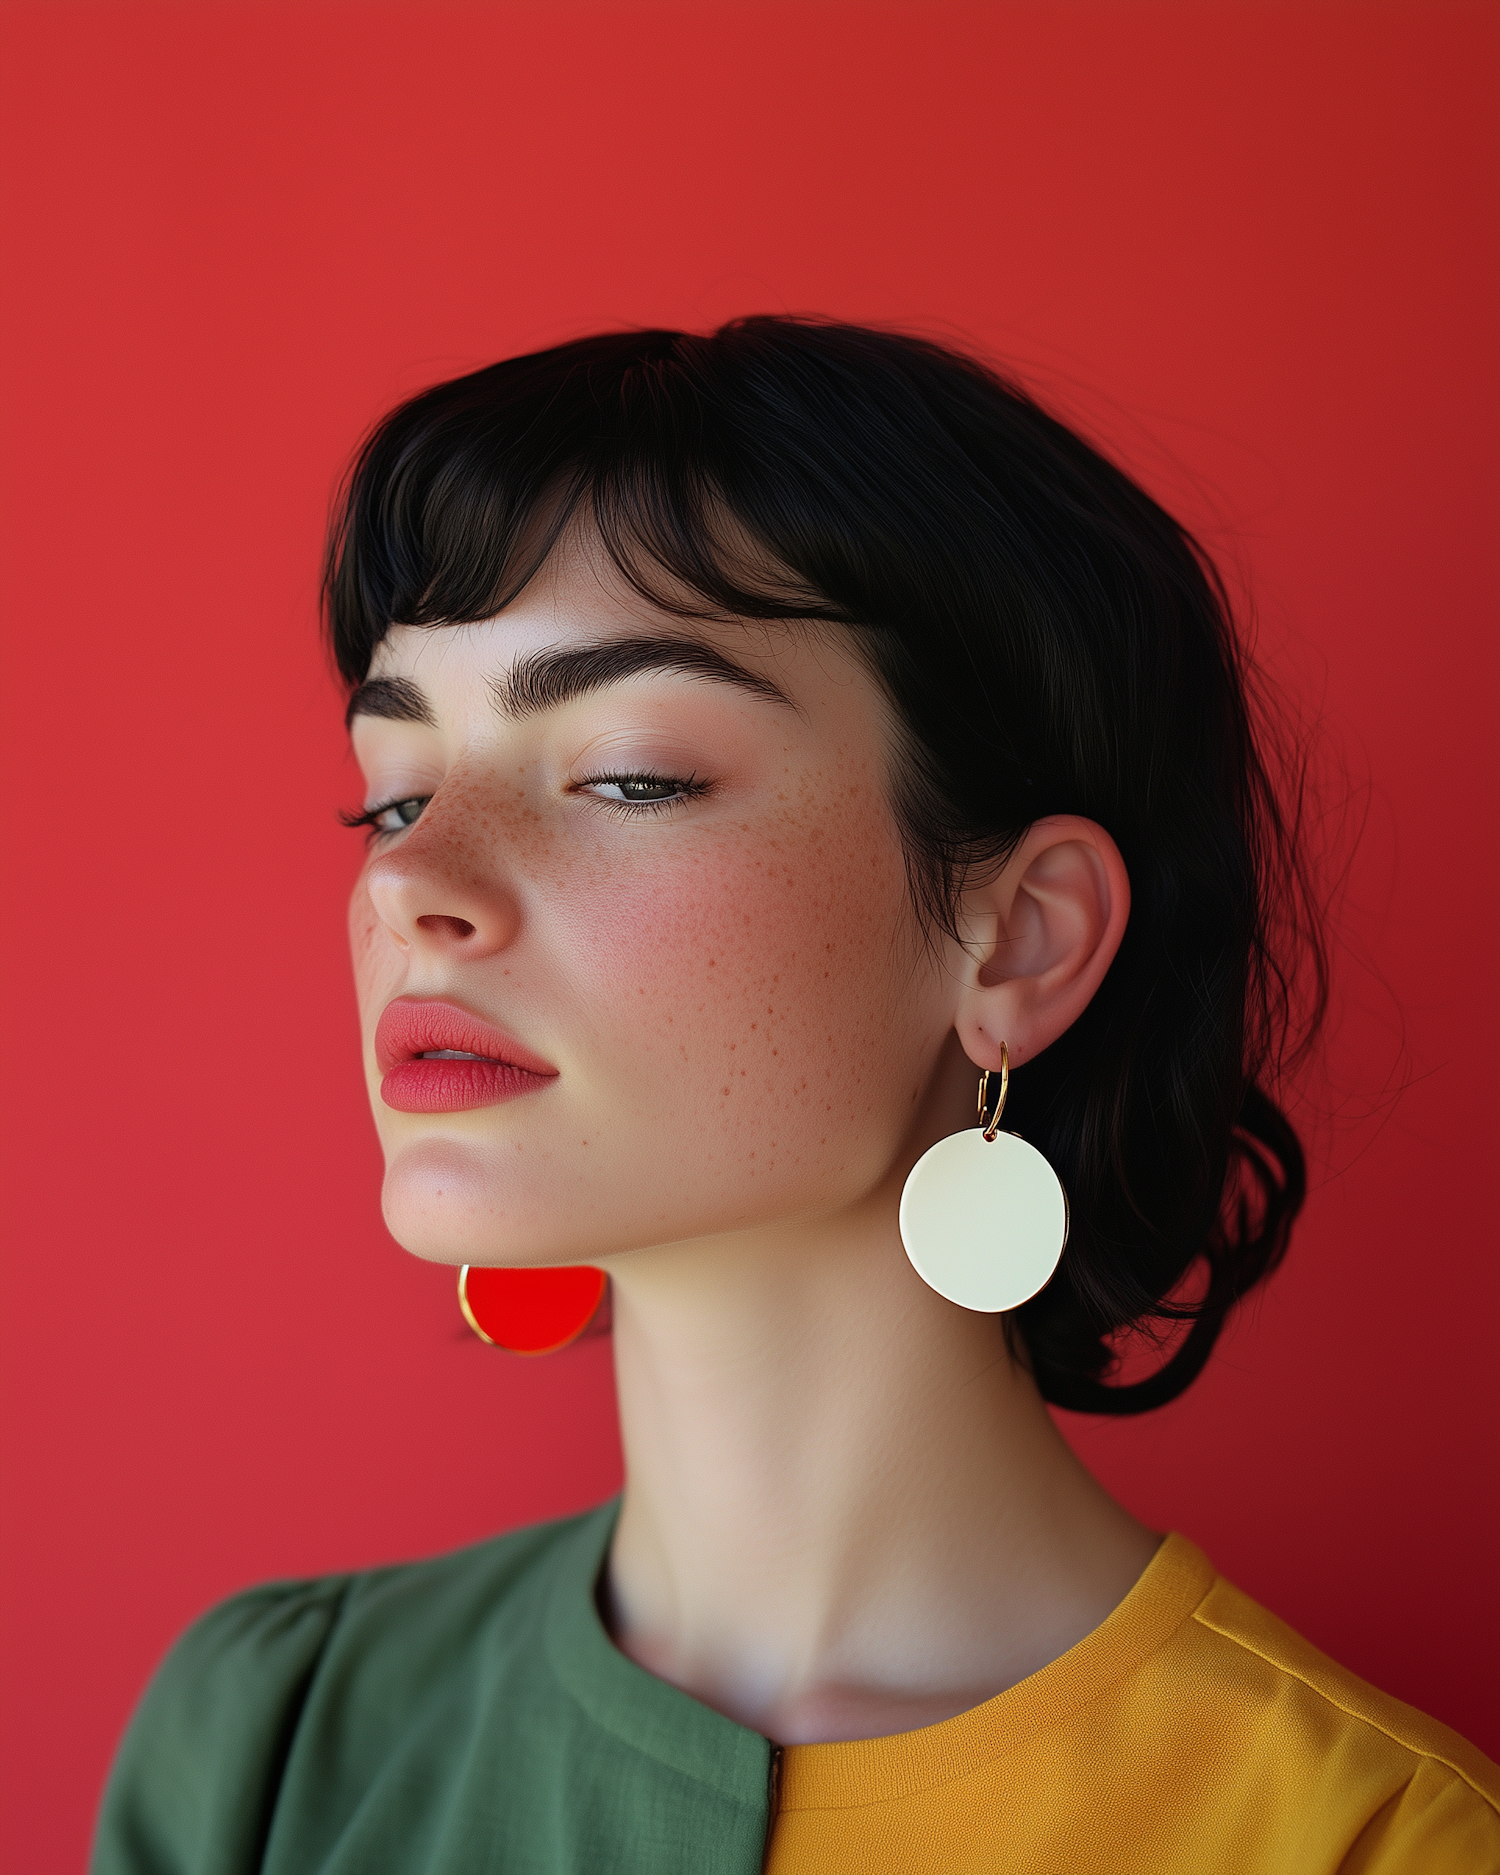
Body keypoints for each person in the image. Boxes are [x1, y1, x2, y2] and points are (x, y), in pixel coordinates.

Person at [91, 319, 1499, 1873]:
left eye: (628, 772)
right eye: (395, 793)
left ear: (1022, 937)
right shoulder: (276, 1742)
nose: (412, 879)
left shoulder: (1363, 1841)